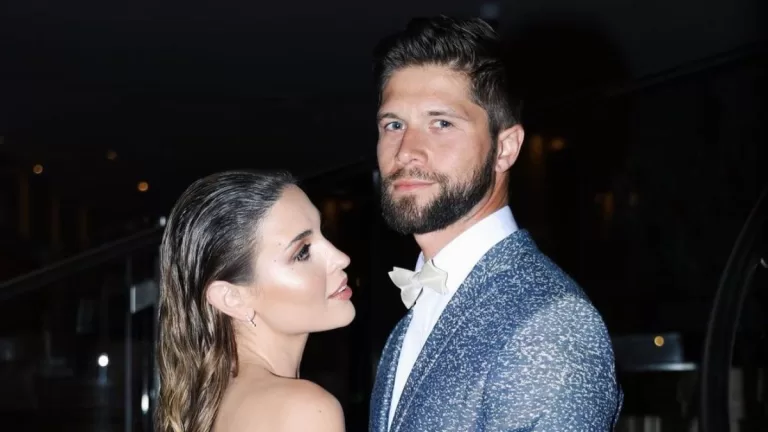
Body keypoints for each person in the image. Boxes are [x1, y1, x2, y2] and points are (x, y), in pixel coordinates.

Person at [369, 16, 623, 431]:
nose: (406, 151)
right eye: (394, 125)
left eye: (441, 123)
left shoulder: (549, 323)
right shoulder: (411, 321)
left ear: (505, 148)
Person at [155, 170, 354, 432]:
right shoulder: (303, 410)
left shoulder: (212, 407)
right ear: (232, 298)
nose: (341, 258)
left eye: (322, 233)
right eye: (302, 252)